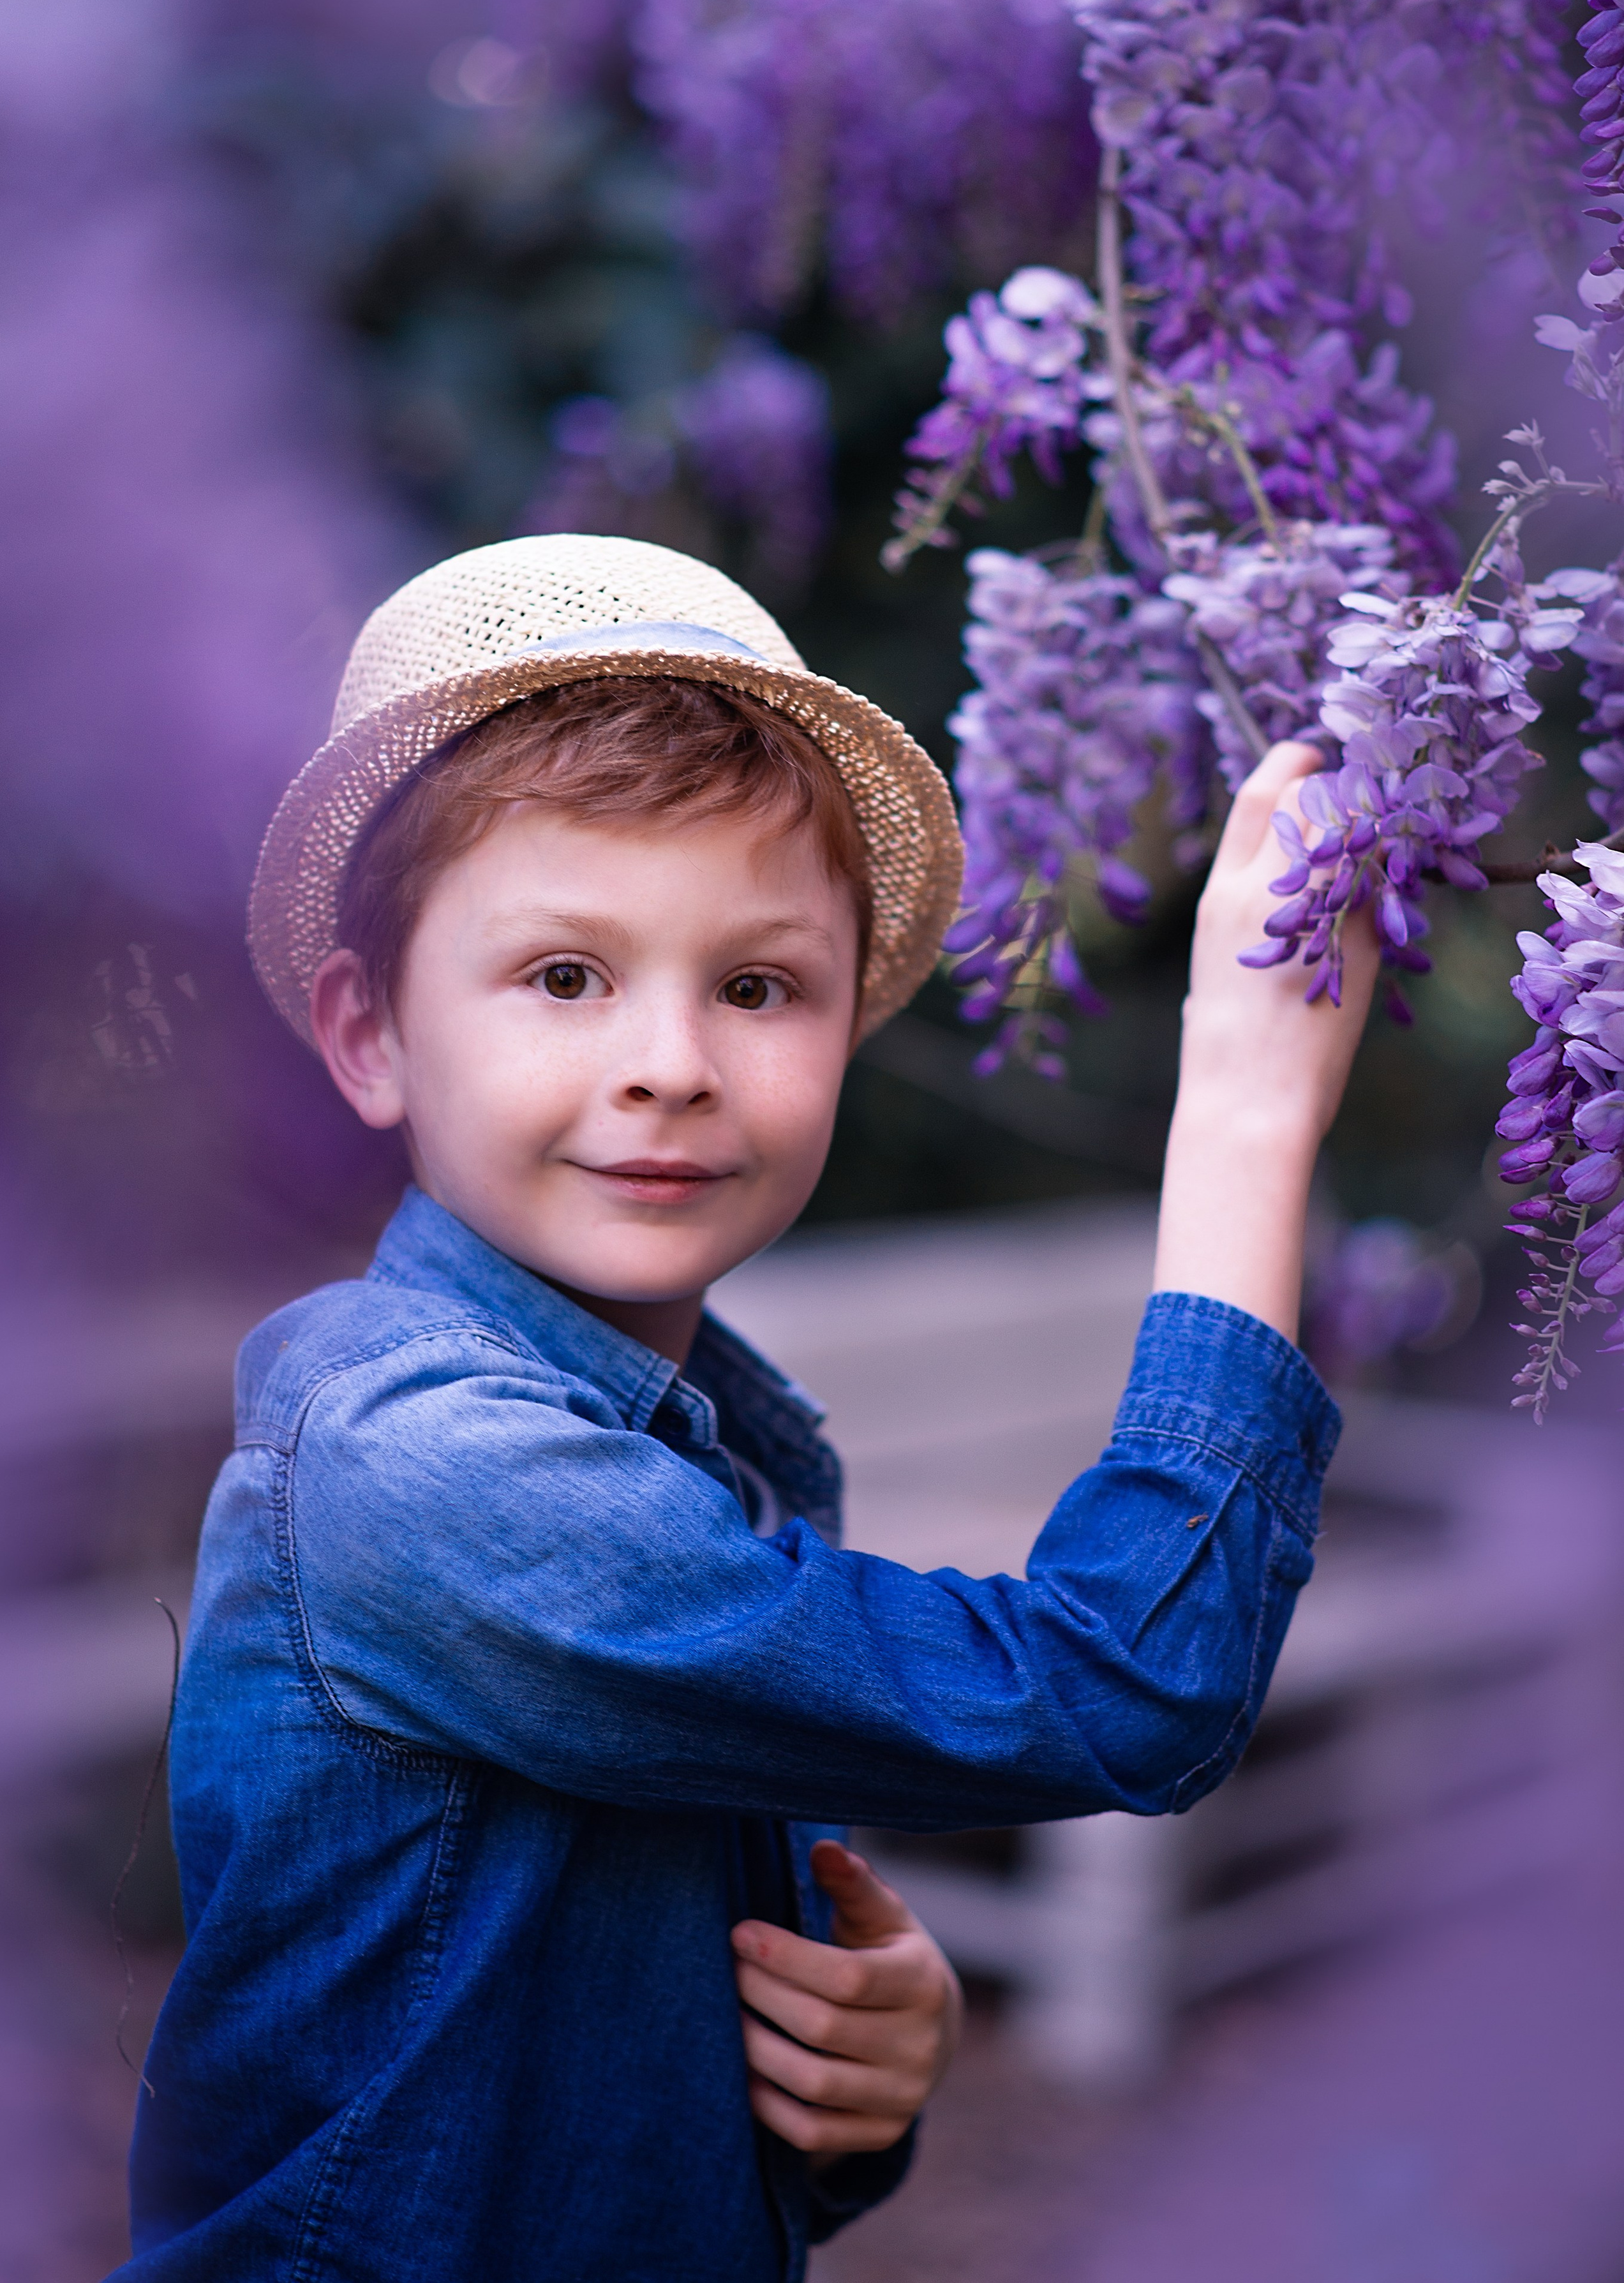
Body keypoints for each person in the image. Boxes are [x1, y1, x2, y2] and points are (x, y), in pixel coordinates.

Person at [117, 534, 1375, 2281]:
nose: (670, 1060)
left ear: (848, 1021)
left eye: (758, 984)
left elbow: (624, 2123)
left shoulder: (680, 1450)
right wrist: (1247, 1107)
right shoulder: (433, 1467)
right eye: (565, 973)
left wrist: (861, 2081)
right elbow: (1127, 1681)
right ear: (371, 1037)